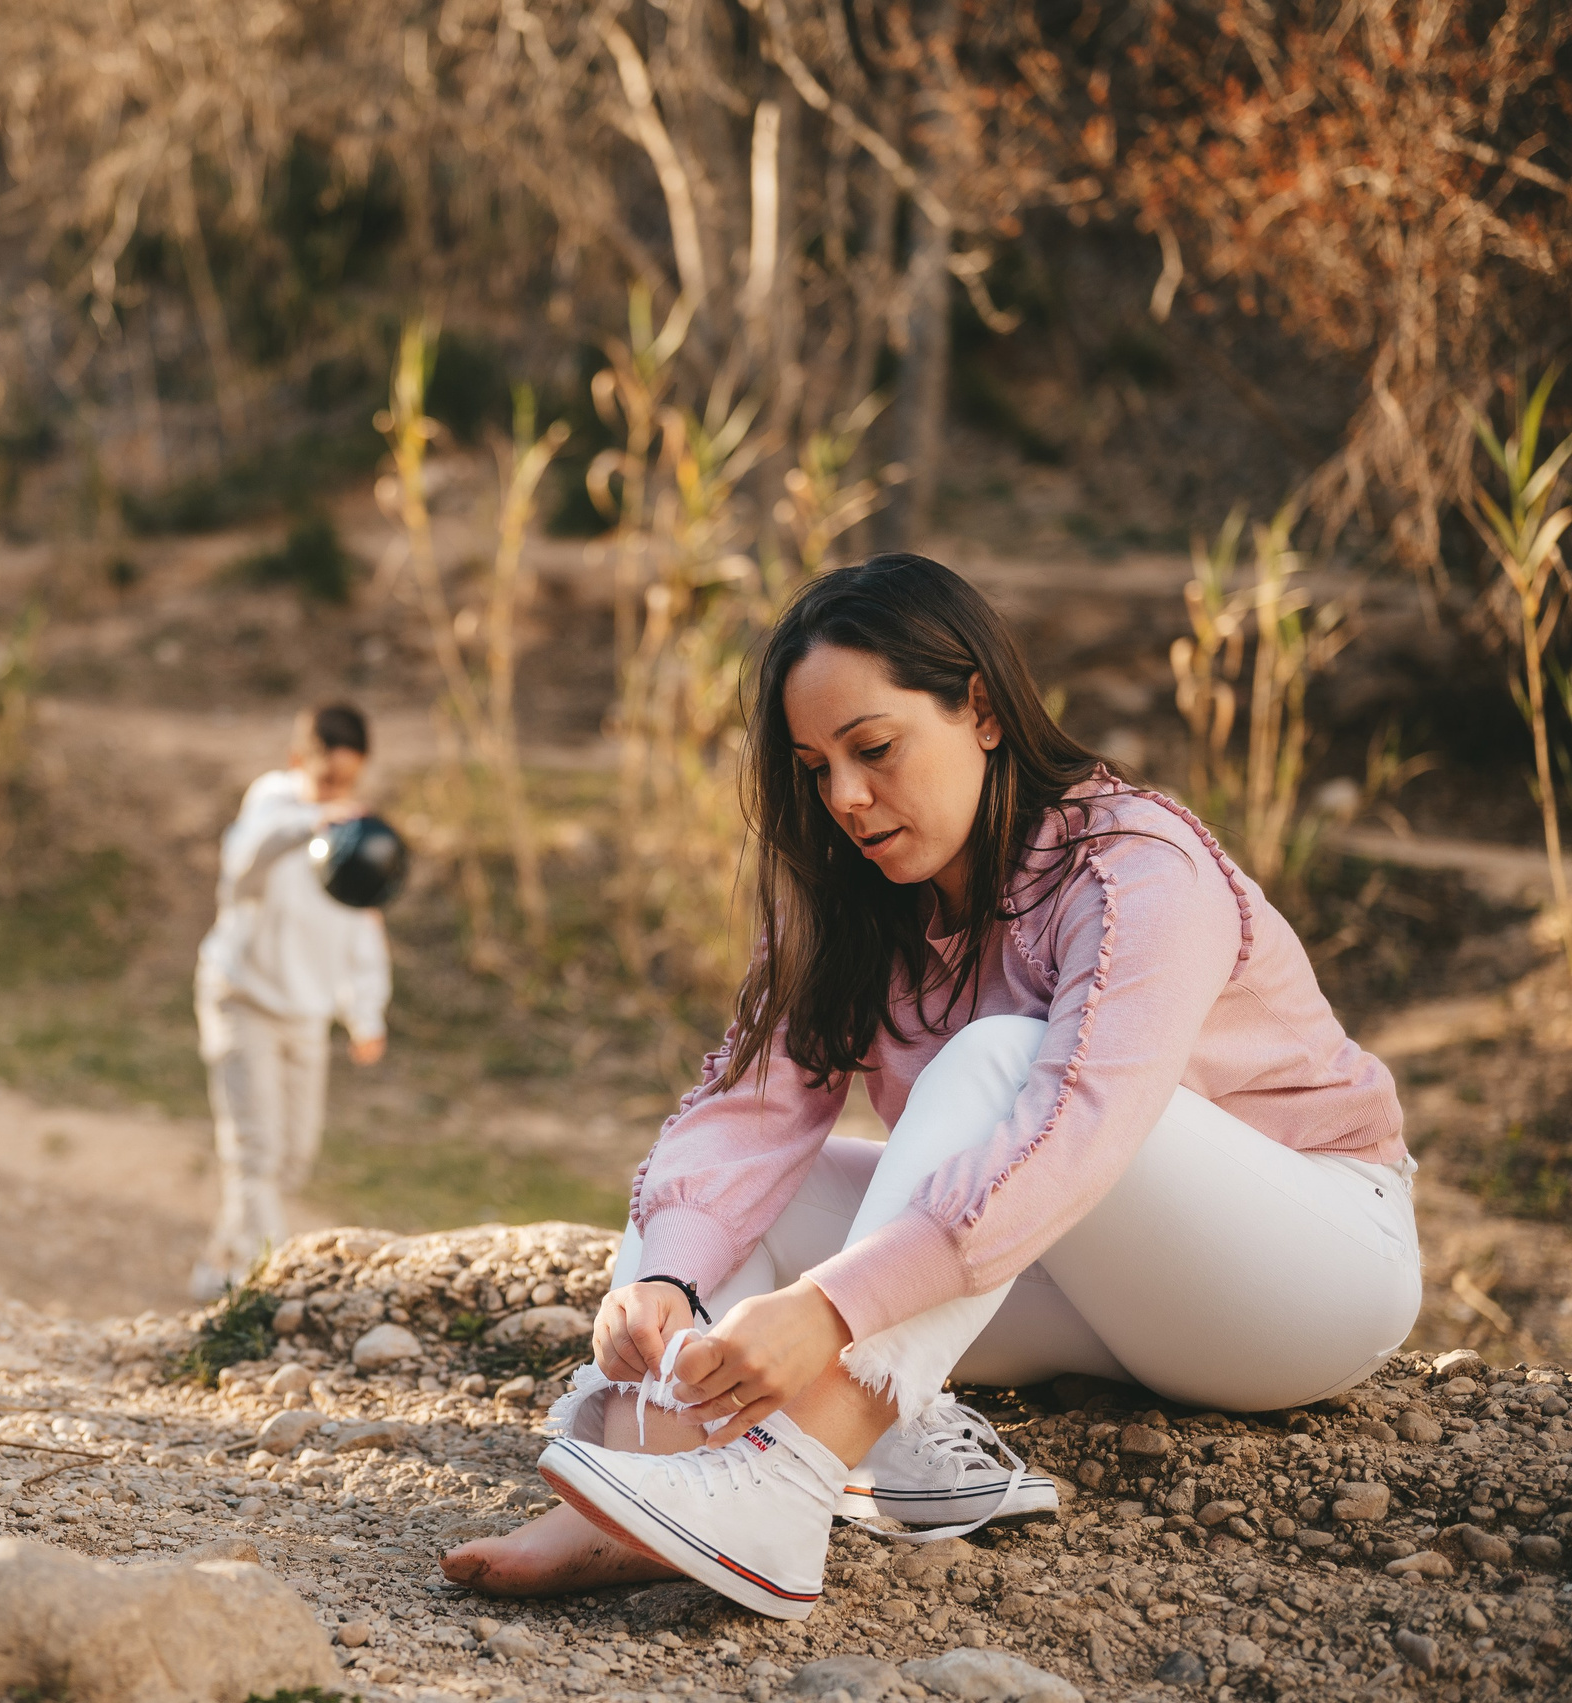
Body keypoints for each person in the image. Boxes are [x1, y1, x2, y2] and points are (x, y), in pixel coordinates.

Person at [442, 555, 1418, 1618]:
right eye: (815, 766)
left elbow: (1074, 1129)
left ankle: (787, 1478)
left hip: (1304, 1276)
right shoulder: (852, 895)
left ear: (983, 710)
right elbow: (748, 1105)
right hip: (1090, 1289)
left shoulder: (1134, 865)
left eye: (874, 748)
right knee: (749, 1194)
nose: (846, 799)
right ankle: (641, 1489)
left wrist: (828, 1307)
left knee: (1001, 1055)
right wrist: (668, 1282)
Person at [190, 704, 393, 1302]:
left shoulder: (353, 834)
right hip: (241, 999)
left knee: (293, 1158)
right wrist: (310, 823)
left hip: (307, 1011)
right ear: (297, 762)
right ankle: (273, 1292)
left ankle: (220, 1262)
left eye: (347, 781)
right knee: (256, 1153)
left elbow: (363, 923)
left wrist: (365, 1011)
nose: (337, 793)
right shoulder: (271, 809)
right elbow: (240, 873)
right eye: (326, 779)